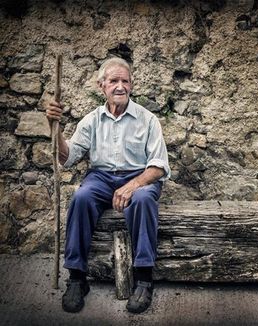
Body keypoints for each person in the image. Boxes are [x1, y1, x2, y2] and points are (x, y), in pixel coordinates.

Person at [45, 57, 171, 314]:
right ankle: (77, 279)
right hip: (101, 177)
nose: (120, 86)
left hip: (140, 176)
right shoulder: (91, 120)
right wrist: (54, 129)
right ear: (102, 86)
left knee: (144, 199)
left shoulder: (147, 120)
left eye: (125, 81)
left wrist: (132, 185)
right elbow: (67, 158)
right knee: (81, 197)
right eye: (114, 81)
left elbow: (158, 166)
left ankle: (144, 278)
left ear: (131, 85)